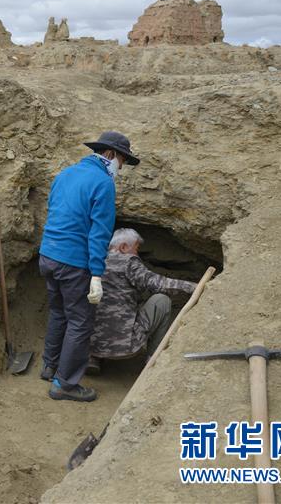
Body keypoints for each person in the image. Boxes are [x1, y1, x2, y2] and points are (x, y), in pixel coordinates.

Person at [37, 131, 139, 402]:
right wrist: (96, 273)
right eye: (122, 161)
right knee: (80, 322)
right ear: (109, 155)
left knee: (59, 312)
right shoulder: (103, 183)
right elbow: (99, 233)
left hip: (48, 255)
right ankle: (65, 384)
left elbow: (53, 210)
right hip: (74, 263)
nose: (121, 167)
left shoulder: (66, 174)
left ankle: (50, 365)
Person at [88, 228, 197, 373]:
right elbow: (158, 284)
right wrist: (192, 286)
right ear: (123, 247)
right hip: (124, 346)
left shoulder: (93, 260)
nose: (137, 254)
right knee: (161, 300)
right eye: (136, 249)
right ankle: (152, 359)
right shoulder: (128, 261)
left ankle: (92, 358)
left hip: (88, 342)